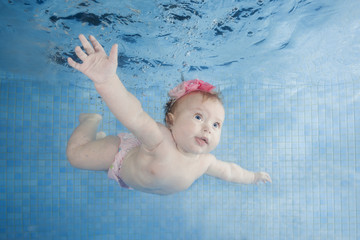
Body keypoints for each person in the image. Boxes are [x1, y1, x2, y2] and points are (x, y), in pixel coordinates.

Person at [66, 34, 271, 195]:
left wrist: (252, 177)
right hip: (118, 156)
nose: (208, 128)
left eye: (217, 125)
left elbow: (229, 171)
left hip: (132, 177)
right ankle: (91, 120)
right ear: (171, 121)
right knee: (76, 156)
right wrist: (106, 81)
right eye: (198, 117)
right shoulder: (160, 140)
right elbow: (133, 114)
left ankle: (100, 139)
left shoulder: (205, 162)